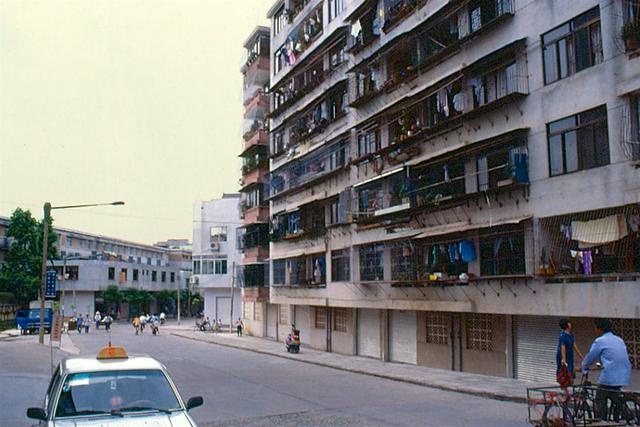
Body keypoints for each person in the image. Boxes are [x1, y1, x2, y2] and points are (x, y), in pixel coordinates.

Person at [581, 318, 632, 420]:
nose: (595, 329)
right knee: (615, 394)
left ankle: (601, 421)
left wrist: (584, 367)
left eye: (595, 327)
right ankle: (623, 415)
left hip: (610, 376)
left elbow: (590, 357)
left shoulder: (600, 341)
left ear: (599, 328)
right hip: (624, 375)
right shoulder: (619, 339)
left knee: (600, 397)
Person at [556, 318, 583, 387]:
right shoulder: (563, 335)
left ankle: (569, 386)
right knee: (565, 372)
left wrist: (579, 354)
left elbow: (573, 344)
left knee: (570, 370)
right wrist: (564, 359)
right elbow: (563, 346)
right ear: (567, 325)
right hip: (564, 356)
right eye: (569, 323)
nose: (570, 324)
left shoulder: (570, 334)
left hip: (570, 356)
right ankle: (565, 388)